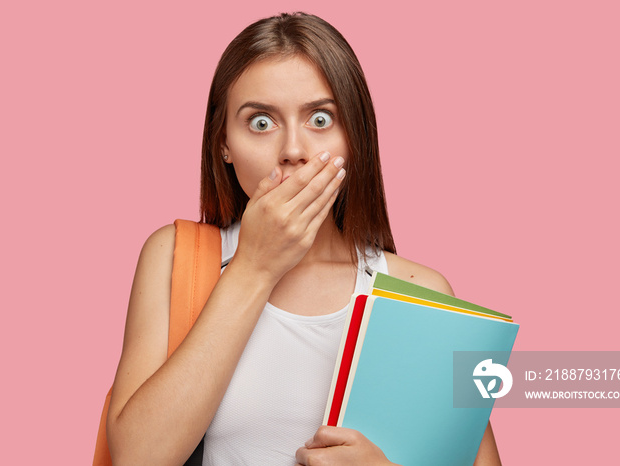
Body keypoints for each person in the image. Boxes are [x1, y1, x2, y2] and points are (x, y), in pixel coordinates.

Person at [105, 12, 501, 466]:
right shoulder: (175, 258)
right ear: (223, 144)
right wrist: (254, 265)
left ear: (354, 137)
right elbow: (136, 457)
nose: (293, 150)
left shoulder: (420, 294)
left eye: (319, 118)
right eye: (260, 122)